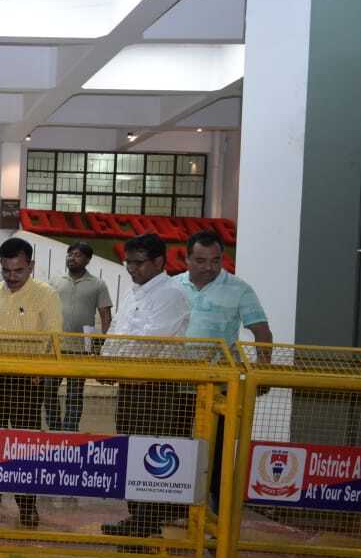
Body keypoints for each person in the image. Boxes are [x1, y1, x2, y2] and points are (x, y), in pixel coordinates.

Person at [0, 237, 62, 528]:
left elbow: (54, 336)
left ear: (31, 266)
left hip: (27, 381)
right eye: (6, 270)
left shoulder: (46, 295)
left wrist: (41, 370)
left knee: (25, 445)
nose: (11, 276)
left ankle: (28, 506)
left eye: (18, 270)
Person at [101, 233, 192, 540]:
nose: (131, 268)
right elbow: (116, 330)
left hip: (155, 389)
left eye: (138, 263)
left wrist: (113, 367)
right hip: (130, 385)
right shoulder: (134, 292)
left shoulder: (171, 294)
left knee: (150, 455)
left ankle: (148, 520)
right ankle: (138, 517)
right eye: (128, 262)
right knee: (130, 451)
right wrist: (104, 364)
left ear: (158, 261)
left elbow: (149, 342)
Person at [175, 229, 273, 505]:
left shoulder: (239, 289)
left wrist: (263, 372)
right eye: (201, 260)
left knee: (217, 449)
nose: (209, 267)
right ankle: (173, 507)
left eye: (215, 260)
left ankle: (216, 510)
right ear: (186, 259)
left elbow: (262, 332)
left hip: (219, 386)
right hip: (174, 383)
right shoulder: (173, 286)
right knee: (176, 445)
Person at [45, 242, 112, 432]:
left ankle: (70, 430)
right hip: (55, 348)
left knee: (74, 394)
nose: (71, 258)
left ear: (88, 260)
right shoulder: (54, 281)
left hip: (81, 349)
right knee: (48, 391)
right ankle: (55, 429)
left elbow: (106, 316)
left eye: (77, 255)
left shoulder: (98, 285)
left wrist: (105, 346)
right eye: (69, 254)